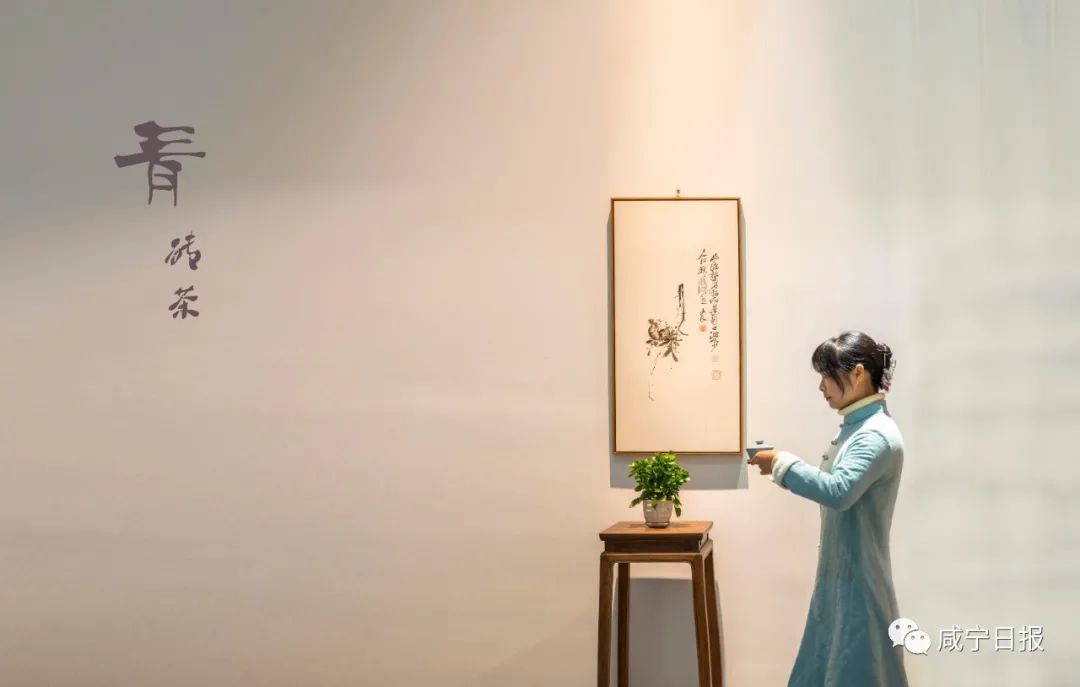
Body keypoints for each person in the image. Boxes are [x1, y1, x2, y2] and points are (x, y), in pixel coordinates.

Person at [748, 330, 909, 687]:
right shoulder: (859, 428)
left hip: (858, 581)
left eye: (827, 375)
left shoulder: (874, 435)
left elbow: (838, 491)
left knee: (856, 669)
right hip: (843, 573)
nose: (821, 386)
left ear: (858, 373)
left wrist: (781, 463)